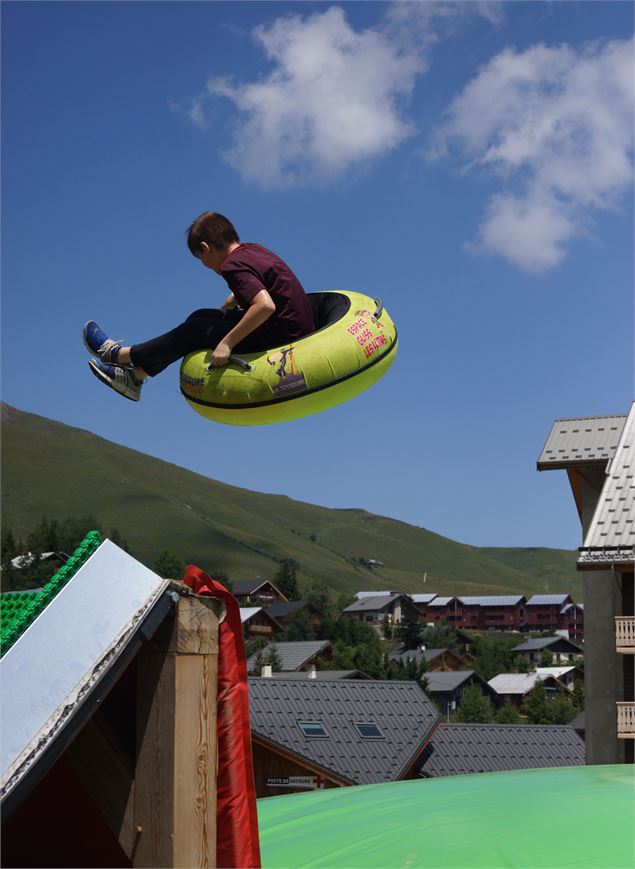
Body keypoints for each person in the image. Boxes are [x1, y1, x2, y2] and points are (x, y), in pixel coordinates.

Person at [84, 212, 315, 401]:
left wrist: (227, 343)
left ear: (206, 247)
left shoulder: (232, 265)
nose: (205, 265)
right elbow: (267, 281)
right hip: (291, 328)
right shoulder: (252, 249)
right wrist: (236, 295)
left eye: (200, 258)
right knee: (200, 316)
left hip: (280, 340)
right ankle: (136, 377)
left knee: (195, 330)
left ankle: (119, 355)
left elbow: (265, 306)